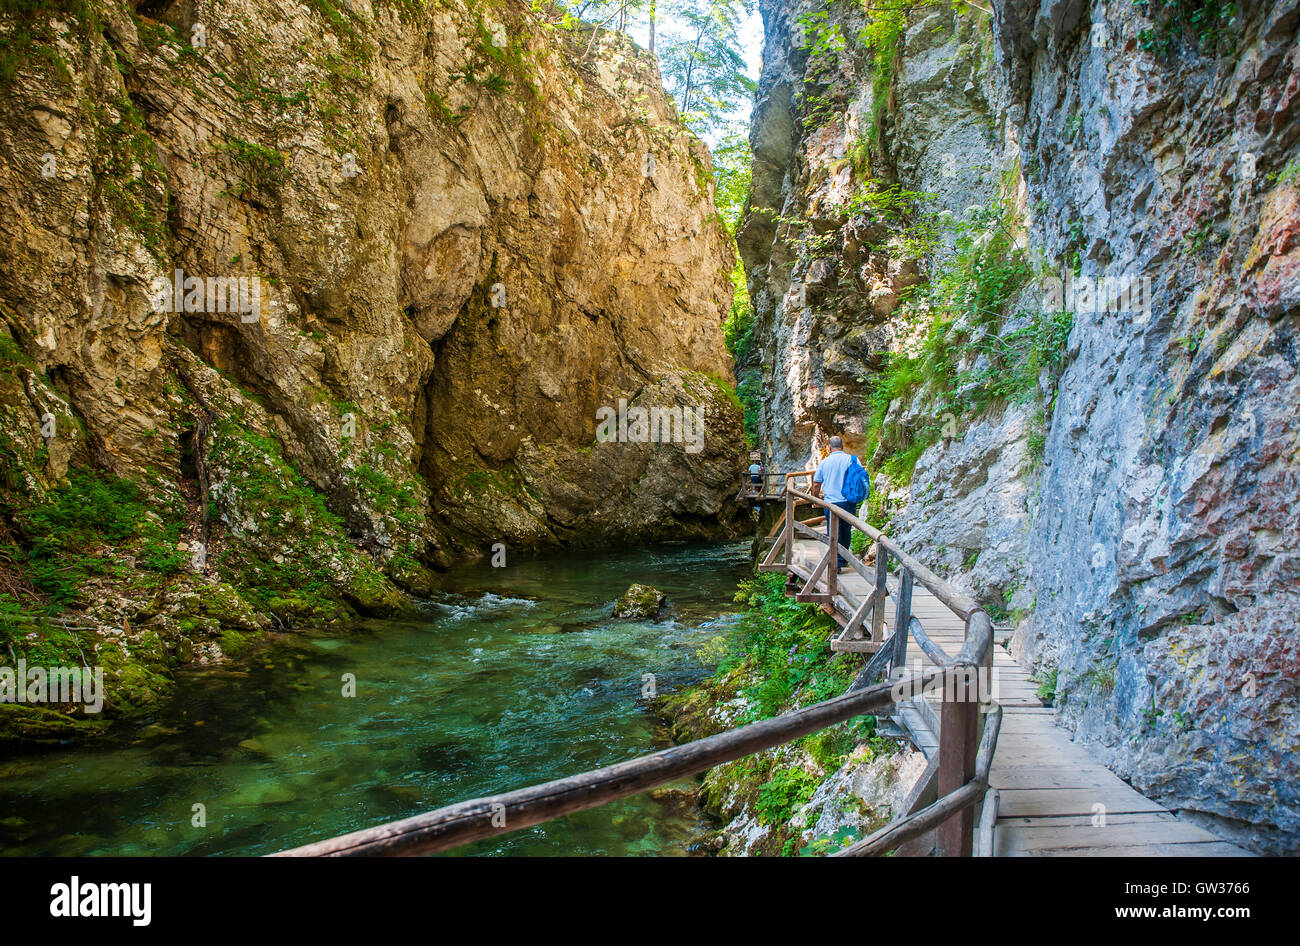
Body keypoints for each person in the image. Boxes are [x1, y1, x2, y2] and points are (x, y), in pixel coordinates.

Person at [811, 436, 860, 568]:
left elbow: (816, 484)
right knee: (846, 530)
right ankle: (843, 558)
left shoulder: (825, 463)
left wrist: (815, 499)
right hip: (848, 501)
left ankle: (836, 563)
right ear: (842, 446)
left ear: (829, 448)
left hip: (831, 503)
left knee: (833, 532)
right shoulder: (852, 460)